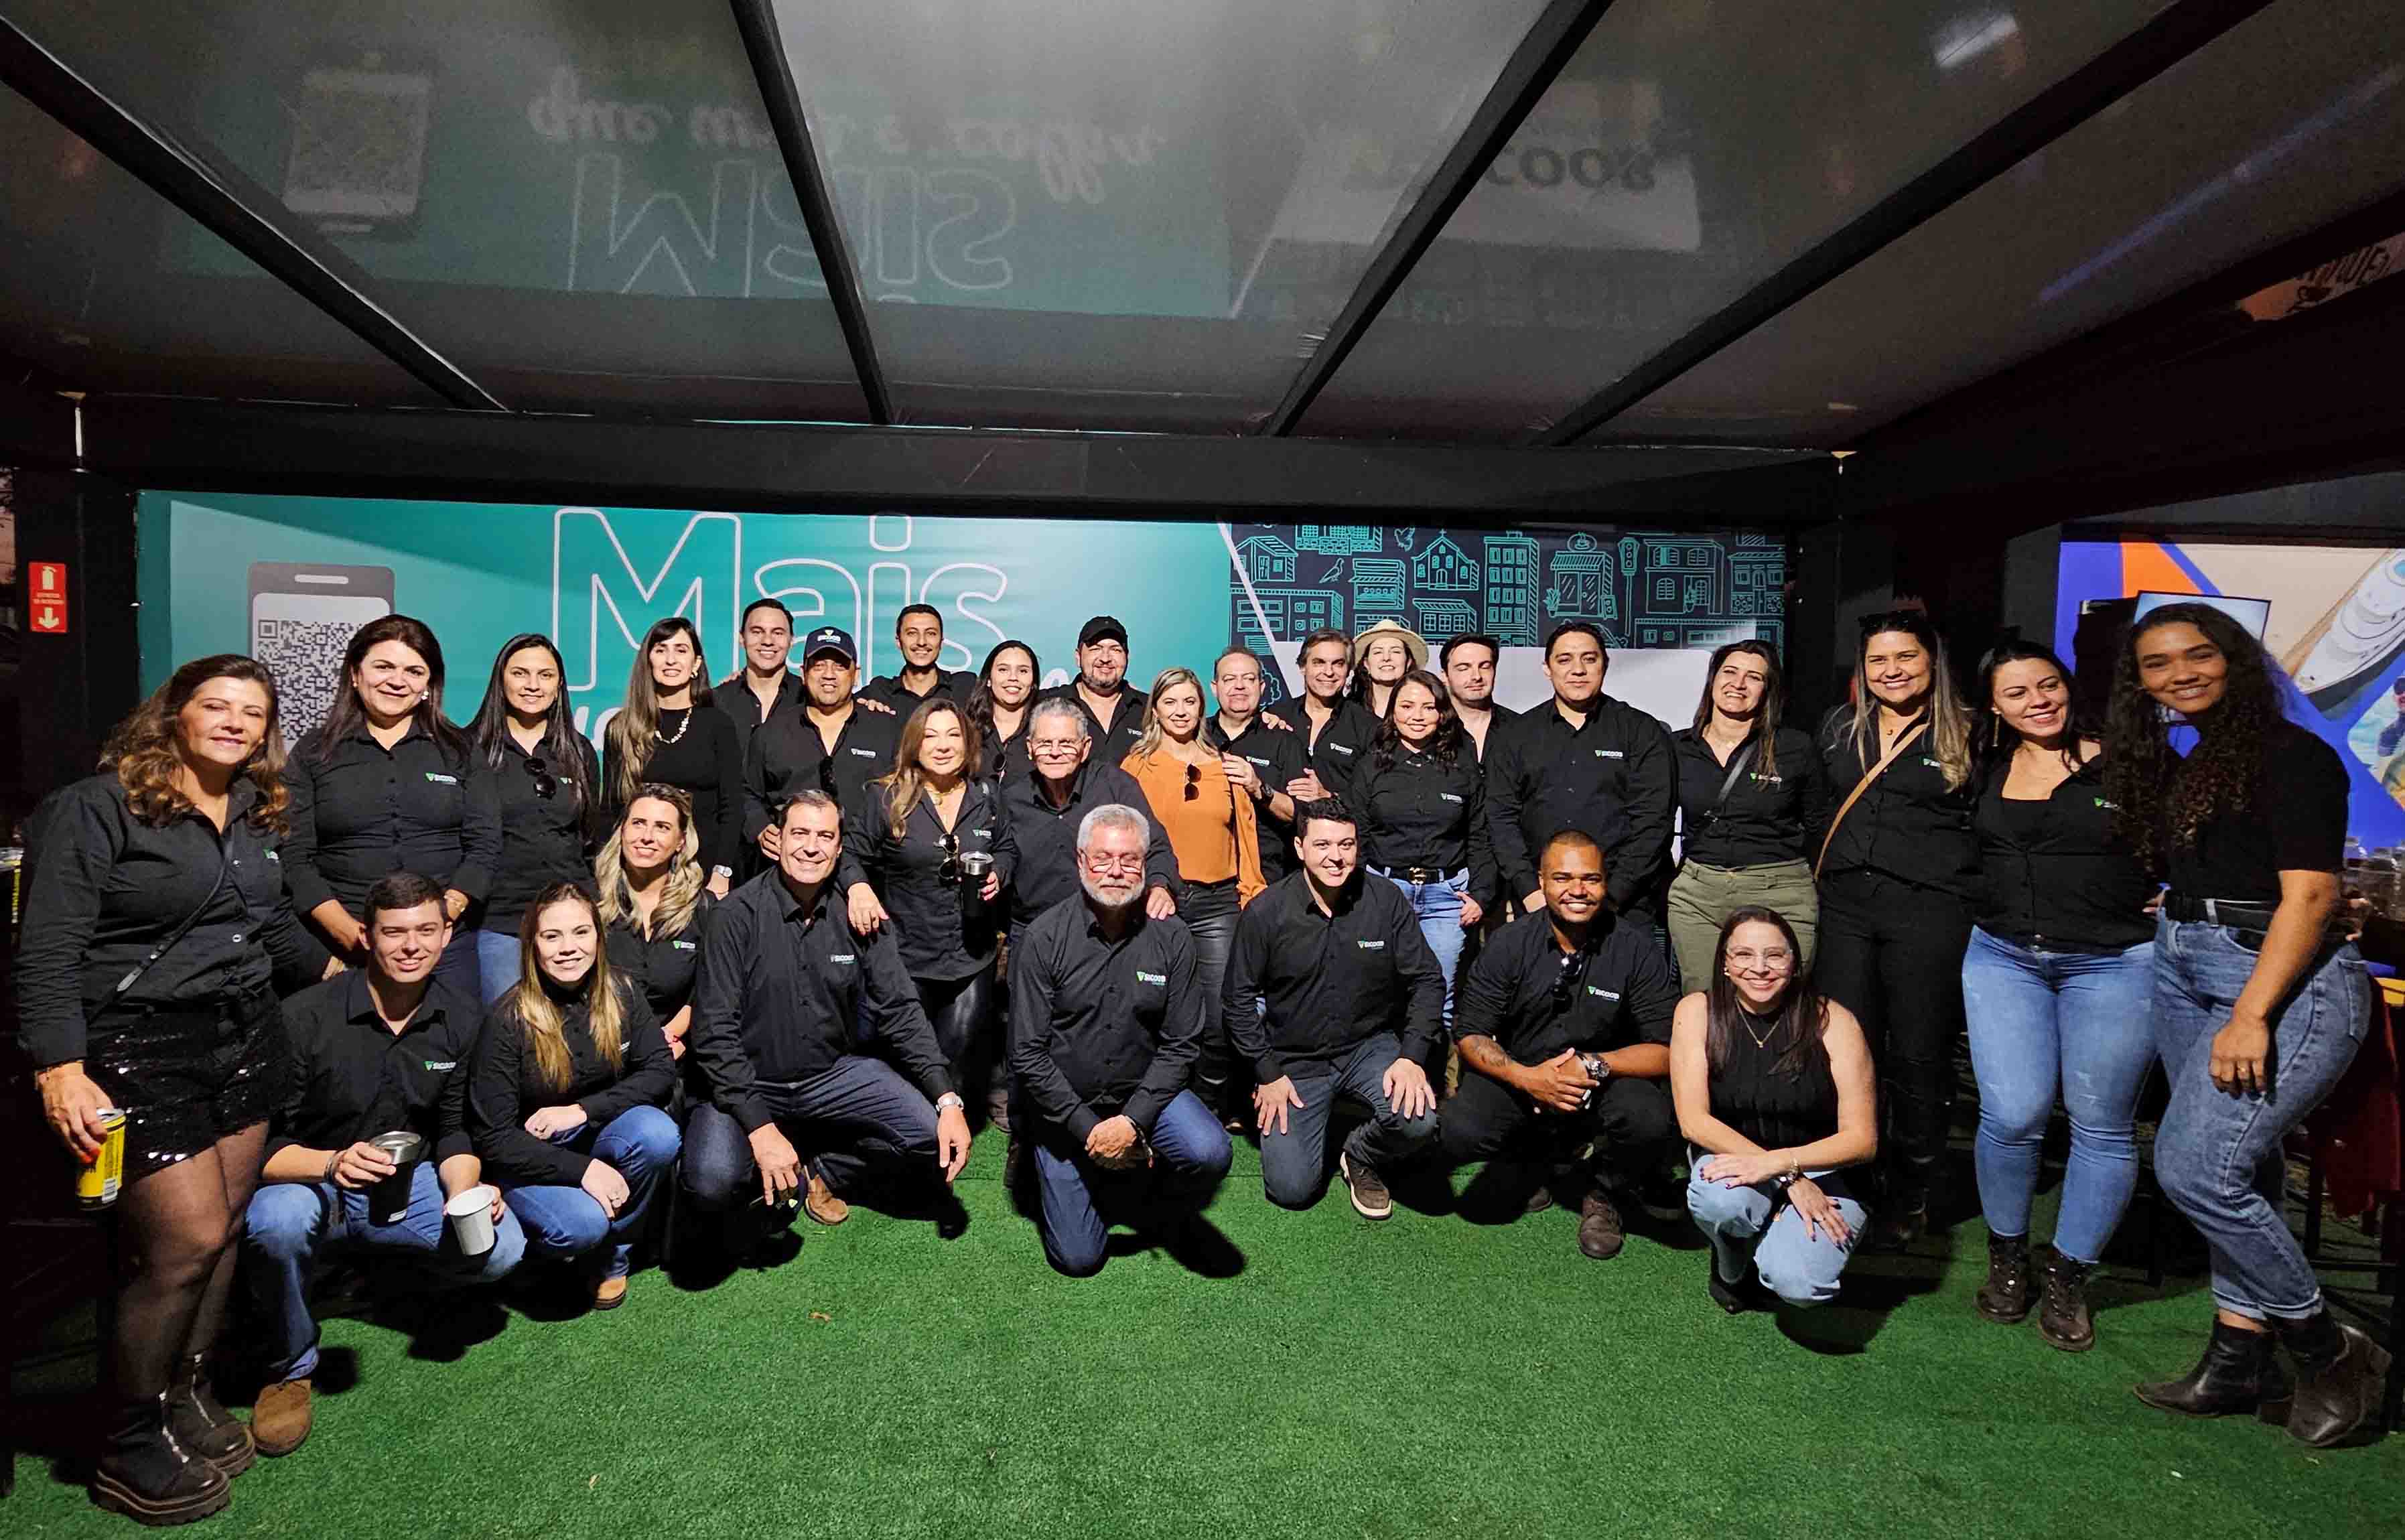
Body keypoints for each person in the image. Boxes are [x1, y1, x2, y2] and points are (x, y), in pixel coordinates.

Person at [19, 656, 335, 1523]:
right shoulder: (96, 806)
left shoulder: (253, 808)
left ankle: (180, 1392)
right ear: (174, 715)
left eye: (252, 711)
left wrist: (351, 973)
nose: (234, 721)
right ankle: (124, 1436)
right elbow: (47, 946)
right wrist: (59, 1064)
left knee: (227, 1226)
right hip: (135, 1046)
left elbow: (269, 924)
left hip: (242, 1034)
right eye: (216, 705)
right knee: (183, 1241)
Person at [2112, 602, 2385, 1447]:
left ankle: (2326, 1342)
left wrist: (2250, 1014)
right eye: (2157, 664)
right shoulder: (2194, 763)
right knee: (2241, 1167)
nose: (2178, 673)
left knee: (2194, 1166)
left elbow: (2309, 896)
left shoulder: (2294, 756)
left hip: (2270, 983)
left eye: (2197, 655)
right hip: (2185, 960)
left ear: (2233, 659)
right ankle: (2238, 1356)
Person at [240, 873, 525, 1458]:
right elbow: (258, 1151)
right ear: (366, 937)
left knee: (501, 1246)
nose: (411, 945)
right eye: (394, 932)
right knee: (277, 1222)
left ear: (447, 935)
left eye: (426, 930)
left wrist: (465, 1191)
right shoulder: (303, 1017)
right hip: (311, 1176)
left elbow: (454, 1131)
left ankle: (385, 1272)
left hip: (405, 1180)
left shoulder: (462, 1018)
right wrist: (332, 1162)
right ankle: (291, 1365)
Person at [1959, 641, 2156, 1352]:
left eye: (2047, 685)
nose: (2037, 700)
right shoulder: (1984, 767)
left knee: (2101, 1124)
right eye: (2017, 693)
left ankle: (2069, 1274)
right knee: (2011, 1113)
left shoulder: (2129, 760)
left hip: (2113, 962)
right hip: (2003, 955)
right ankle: (2008, 1257)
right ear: (1994, 707)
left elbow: (2192, 836)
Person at [682, 792, 971, 1234]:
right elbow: (713, 1033)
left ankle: (823, 1169)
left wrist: (947, 1098)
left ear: (840, 850)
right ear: (777, 841)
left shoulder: (861, 914)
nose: (811, 846)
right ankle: (768, 1155)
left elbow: (900, 1008)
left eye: (825, 836)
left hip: (829, 1075)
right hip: (749, 1079)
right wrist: (760, 1129)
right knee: (711, 1180)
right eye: (799, 833)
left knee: (931, 1137)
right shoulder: (733, 916)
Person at [1010, 803, 1233, 1275]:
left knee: (1209, 1150)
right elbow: (1028, 1055)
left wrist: (1131, 1122)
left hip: (1141, 1095)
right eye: (1103, 858)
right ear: (1081, 861)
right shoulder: (1044, 937)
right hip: (1064, 1107)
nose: (1115, 871)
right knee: (1079, 1258)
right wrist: (1089, 1129)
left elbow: (1181, 1045)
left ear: (1146, 865)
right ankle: (1056, 1161)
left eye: (1129, 859)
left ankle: (1142, 1184)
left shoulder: (1172, 938)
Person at [1813, 610, 1977, 1247]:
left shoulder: (1970, 731)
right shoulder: (1838, 727)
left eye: (1906, 657)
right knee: (1848, 1050)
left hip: (1929, 911)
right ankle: (1851, 1172)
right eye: (1879, 660)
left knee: (1917, 1054)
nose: (1893, 671)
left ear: (1931, 662)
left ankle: (1912, 1189)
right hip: (1847, 907)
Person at [1439, 831, 1677, 1261]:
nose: (1578, 891)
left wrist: (1594, 1065)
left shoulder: (1636, 949)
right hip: (1524, 1076)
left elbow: (1666, 1048)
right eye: (1563, 878)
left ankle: (1606, 1187)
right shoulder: (1510, 943)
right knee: (1460, 1127)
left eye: (1591, 879)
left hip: (1603, 1079)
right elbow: (1470, 1032)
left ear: (1606, 883)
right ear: (1542, 882)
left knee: (1650, 1118)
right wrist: (1527, 1078)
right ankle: (1535, 1157)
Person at [466, 884, 679, 1310]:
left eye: (581, 933)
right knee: (581, 1224)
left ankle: (613, 1254)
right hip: (528, 1158)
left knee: (657, 1133)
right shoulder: (507, 1020)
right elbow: (493, 1138)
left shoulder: (621, 991)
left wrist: (582, 1111)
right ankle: (541, 1249)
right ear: (533, 946)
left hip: (592, 1130)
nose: (568, 948)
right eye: (552, 936)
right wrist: (583, 1171)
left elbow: (660, 1068)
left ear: (599, 939)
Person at [1227, 800, 1443, 1216]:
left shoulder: (1385, 900)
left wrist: (1412, 1057)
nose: (1336, 856)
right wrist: (1266, 1073)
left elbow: (1427, 980)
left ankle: (1359, 1153)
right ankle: (1313, 1134)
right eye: (1322, 844)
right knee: (1291, 1190)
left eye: (1346, 844)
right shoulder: (1267, 912)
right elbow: (1236, 1000)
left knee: (1420, 1122)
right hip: (1295, 1059)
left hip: (1367, 1046)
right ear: (1299, 847)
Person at [282, 614, 500, 999]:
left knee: (451, 1053)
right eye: (383, 666)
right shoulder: (313, 753)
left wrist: (439, 920)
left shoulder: (461, 751)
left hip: (445, 950)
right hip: (348, 948)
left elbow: (484, 846)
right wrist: (353, 936)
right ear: (354, 674)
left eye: (414, 671)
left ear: (429, 684)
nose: (398, 681)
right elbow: (295, 858)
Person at [1672, 907, 1877, 1312]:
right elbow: (1693, 1121)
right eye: (1744, 955)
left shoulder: (1833, 1021)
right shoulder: (1697, 1012)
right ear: (1726, 965)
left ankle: (1774, 1239)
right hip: (1735, 1157)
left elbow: (1862, 1140)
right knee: (1719, 1203)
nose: (1760, 968)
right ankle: (1732, 1251)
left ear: (1795, 963)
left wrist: (1788, 1167)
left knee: (1799, 1285)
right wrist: (1787, 1177)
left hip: (1825, 1169)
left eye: (1775, 955)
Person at [841, 699, 1018, 1126]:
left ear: (968, 743)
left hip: (969, 955)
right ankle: (909, 1140)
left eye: (953, 735)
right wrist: (858, 886)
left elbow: (1008, 848)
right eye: (931, 735)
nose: (942, 746)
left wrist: (1000, 872)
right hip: (905, 955)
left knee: (955, 1061)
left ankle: (944, 1142)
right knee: (907, 1060)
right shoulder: (885, 796)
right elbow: (848, 852)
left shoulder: (988, 795)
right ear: (914, 744)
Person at [1121, 668, 1267, 1118]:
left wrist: (1252, 892)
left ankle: (1208, 1109)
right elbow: (1126, 836)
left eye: (1189, 701)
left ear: (1202, 707)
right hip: (1154, 902)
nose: (1180, 710)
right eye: (1171, 702)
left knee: (1220, 1016)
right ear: (1156, 709)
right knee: (1150, 1008)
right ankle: (1150, 1108)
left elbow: (1245, 836)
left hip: (1218, 903)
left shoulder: (1226, 765)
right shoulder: (1135, 765)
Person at [1485, 621, 1675, 928]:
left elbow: (1654, 824)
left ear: (1605, 664)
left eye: (1589, 658)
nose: (1578, 670)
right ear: (1547, 668)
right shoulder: (1515, 735)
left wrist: (1612, 896)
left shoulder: (1642, 732)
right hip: (1540, 904)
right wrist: (1529, 890)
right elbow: (1500, 817)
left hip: (1622, 908)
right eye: (1565, 660)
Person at [1665, 640, 1828, 989]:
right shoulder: (1677, 749)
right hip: (1699, 895)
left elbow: (1820, 826)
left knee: (1780, 1003)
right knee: (1704, 1003)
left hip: (1779, 891)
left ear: (1768, 691)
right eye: (1730, 672)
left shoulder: (1795, 748)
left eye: (1753, 677)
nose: (1738, 684)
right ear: (1712, 680)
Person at [1351, 669, 1496, 1025]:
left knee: (1439, 997)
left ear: (1442, 714)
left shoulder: (1463, 768)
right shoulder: (1371, 765)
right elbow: (1358, 834)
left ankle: (1432, 1080)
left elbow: (1479, 835)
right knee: (1380, 995)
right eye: (1408, 706)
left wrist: (1481, 893)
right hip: (1385, 893)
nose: (1417, 716)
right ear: (1393, 712)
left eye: (1428, 707)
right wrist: (1360, 894)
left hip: (1446, 899)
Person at [466, 634, 600, 1003]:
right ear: (501, 680)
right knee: (508, 1031)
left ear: (559, 686)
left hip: (570, 920)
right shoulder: (469, 749)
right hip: (500, 921)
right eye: (521, 673)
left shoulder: (578, 750)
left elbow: (589, 838)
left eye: (545, 675)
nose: (532, 685)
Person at [1003, 697, 1180, 952]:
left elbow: (1156, 845)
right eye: (1044, 743)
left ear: (1085, 748)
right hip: (1032, 934)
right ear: (1030, 748)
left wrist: (1160, 887)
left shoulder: (1117, 786)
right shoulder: (1011, 799)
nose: (1055, 752)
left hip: (1107, 932)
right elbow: (1001, 855)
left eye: (1066, 743)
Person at [602, 617, 741, 898]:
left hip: (703, 874)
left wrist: (722, 873)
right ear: (648, 661)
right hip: (636, 875)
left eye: (681, 650)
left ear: (696, 664)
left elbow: (732, 808)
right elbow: (610, 811)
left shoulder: (718, 725)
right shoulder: (621, 727)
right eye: (661, 650)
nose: (670, 660)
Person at [744, 626, 902, 855]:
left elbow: (910, 791)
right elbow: (746, 791)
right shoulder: (772, 732)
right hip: (793, 867)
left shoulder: (887, 730)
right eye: (819, 666)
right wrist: (760, 826)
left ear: (856, 675)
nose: (829, 674)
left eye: (839, 666)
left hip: (872, 869)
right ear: (803, 674)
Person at [594, 785, 714, 1062]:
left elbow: (709, 992)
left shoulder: (704, 908)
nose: (646, 837)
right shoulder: (590, 902)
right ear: (622, 830)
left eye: (662, 827)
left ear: (681, 841)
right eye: (638, 823)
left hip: (675, 1050)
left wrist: (668, 1037)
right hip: (601, 1051)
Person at [1205, 646, 1307, 887]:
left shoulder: (1284, 740)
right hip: (1208, 884)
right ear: (1214, 687)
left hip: (1270, 881)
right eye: (1229, 679)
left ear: (1262, 687)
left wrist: (1259, 788)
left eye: (1249, 679)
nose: (1239, 686)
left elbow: (1302, 815)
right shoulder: (1196, 737)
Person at [1268, 627, 1380, 808]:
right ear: (1302, 667)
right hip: (1281, 832)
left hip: (1341, 831)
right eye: (1319, 663)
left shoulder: (1369, 726)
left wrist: (1328, 795)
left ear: (1349, 670)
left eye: (1338, 664)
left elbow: (1376, 799)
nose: (1329, 672)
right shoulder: (1276, 715)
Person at [1038, 615, 1148, 767]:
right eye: (1096, 649)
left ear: (1127, 657)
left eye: (1115, 649)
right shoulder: (1046, 704)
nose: (1105, 658)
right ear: (1078, 657)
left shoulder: (1150, 709)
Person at [716, 598, 805, 770]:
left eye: (778, 633)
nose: (768, 641)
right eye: (757, 632)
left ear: (791, 640)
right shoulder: (717, 701)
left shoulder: (808, 698)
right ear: (741, 638)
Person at [859, 602, 973, 712]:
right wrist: (866, 712)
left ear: (941, 642)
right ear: (899, 641)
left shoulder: (965, 686)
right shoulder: (879, 691)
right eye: (912, 633)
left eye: (931, 633)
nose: (922, 642)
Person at [1441, 632, 1519, 764]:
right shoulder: (1431, 728)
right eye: (1463, 668)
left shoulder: (1520, 728)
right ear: (1445, 676)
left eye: (1485, 667)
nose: (1476, 676)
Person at [969, 638, 1040, 780]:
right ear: (988, 679)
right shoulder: (966, 727)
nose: (1013, 678)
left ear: (1033, 682)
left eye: (1023, 671)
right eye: (1003, 670)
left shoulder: (1044, 730)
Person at [1349, 618, 1428, 719]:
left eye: (1396, 652)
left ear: (1408, 662)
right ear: (1366, 664)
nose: (1386, 658)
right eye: (1378, 652)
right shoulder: (1349, 711)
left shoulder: (1423, 711)